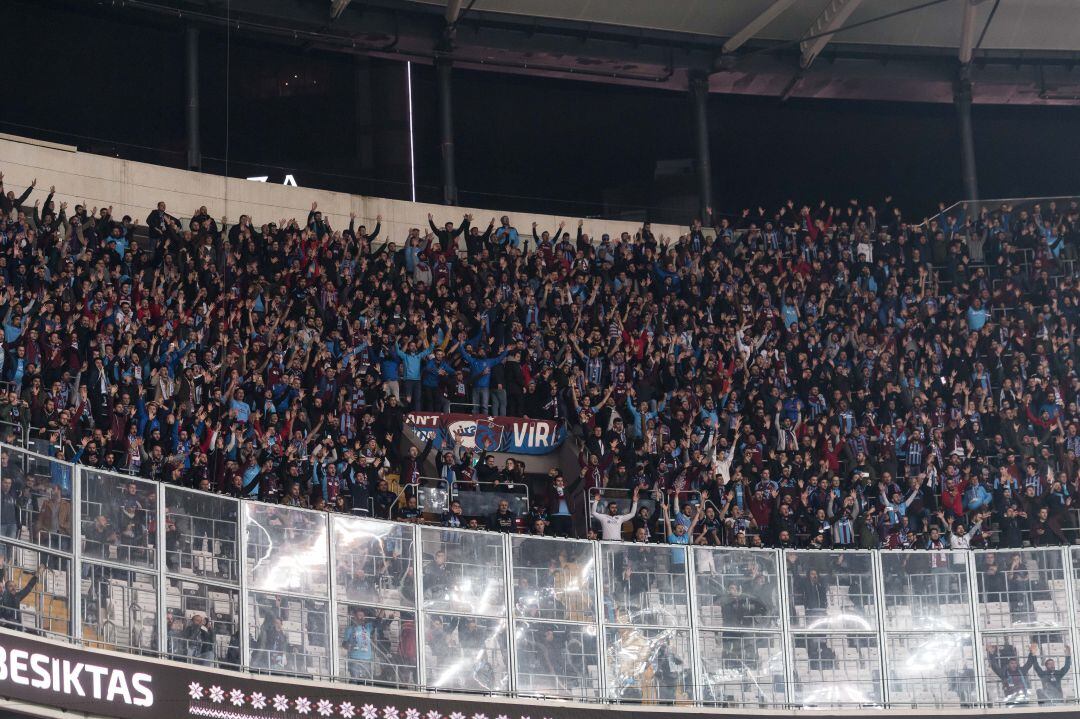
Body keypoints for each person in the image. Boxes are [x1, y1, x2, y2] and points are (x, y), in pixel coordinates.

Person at [0, 564, 42, 630]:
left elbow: (28, 587)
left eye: (15, 586)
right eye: (11, 586)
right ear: (6, 588)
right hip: (4, 623)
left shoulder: (17, 596)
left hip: (16, 624)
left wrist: (37, 574)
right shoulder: (4, 595)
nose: (13, 588)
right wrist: (1, 568)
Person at [342, 606, 377, 681]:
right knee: (355, 681)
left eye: (363, 616)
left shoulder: (368, 627)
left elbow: (378, 621)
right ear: (355, 617)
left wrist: (382, 609)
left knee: (366, 682)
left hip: (367, 660)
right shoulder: (350, 629)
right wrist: (349, 645)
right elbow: (344, 644)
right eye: (360, 615)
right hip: (354, 659)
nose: (362, 618)